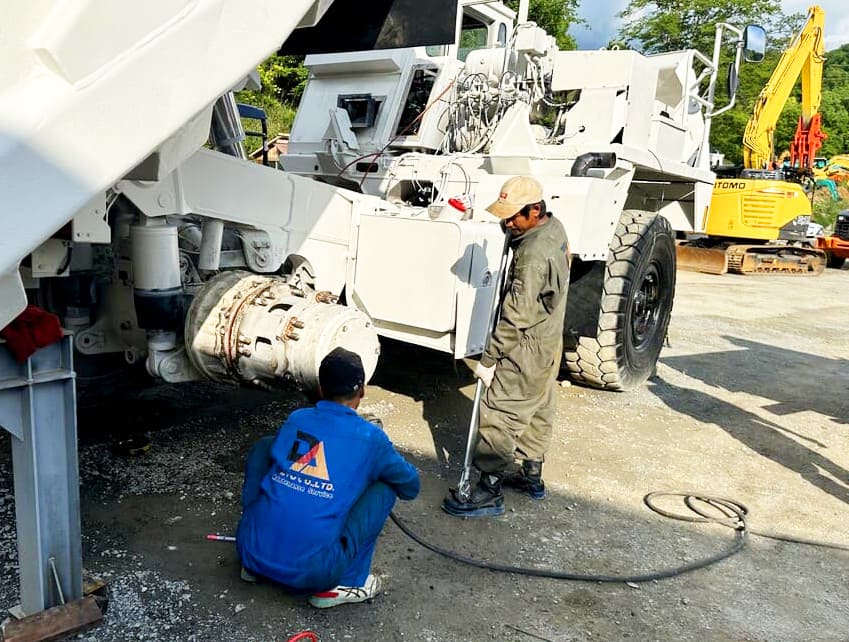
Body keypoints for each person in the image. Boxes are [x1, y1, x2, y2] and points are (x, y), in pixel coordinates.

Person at [236, 347, 420, 608]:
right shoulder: (370, 438)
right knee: (386, 487)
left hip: (249, 550)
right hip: (314, 572)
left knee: (266, 447)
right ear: (362, 391)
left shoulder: (297, 418)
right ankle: (347, 584)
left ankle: (255, 564)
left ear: (321, 389)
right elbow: (410, 486)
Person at [443, 175, 569, 518]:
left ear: (535, 210)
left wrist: (490, 356)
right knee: (538, 403)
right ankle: (531, 474)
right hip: (547, 339)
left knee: (502, 411)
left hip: (525, 345)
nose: (508, 222)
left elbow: (516, 315)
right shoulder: (553, 230)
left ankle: (488, 489)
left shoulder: (533, 257)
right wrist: (512, 233)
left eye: (514, 217)